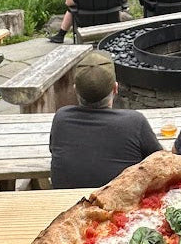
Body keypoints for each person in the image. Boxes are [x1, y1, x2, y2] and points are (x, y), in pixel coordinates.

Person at [48, 51, 162, 188]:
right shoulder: (134, 122)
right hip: (116, 205)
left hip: (66, 203)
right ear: (115, 88)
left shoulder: (61, 118)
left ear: (75, 90)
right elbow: (161, 161)